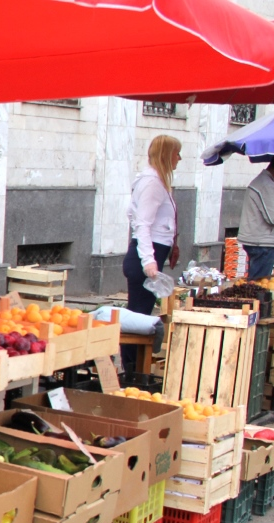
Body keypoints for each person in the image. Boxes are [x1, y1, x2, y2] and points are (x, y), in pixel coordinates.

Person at [121, 134, 181, 373]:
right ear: (167, 155)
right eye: (176, 153)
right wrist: (149, 261)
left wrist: (171, 244)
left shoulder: (156, 181)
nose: (179, 158)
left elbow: (136, 215)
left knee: (141, 313)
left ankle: (134, 368)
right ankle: (132, 369)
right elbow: (142, 224)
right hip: (146, 258)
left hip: (153, 254)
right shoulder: (153, 183)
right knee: (138, 316)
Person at [237, 156, 274, 279]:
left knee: (258, 283)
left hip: (261, 241)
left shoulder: (268, 183)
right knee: (258, 285)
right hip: (262, 243)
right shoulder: (267, 185)